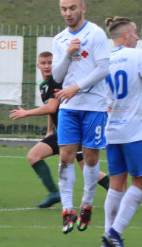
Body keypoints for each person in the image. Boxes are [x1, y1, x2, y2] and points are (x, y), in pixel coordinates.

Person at [98, 17, 142, 247]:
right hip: (135, 131)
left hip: (112, 131)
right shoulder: (136, 56)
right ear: (125, 35)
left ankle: (107, 240)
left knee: (117, 185)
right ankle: (114, 233)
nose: (138, 37)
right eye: (135, 32)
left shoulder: (105, 60)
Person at [9, 51, 110, 208]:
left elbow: (52, 106)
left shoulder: (57, 82)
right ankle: (55, 193)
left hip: (73, 130)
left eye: (50, 62)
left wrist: (26, 113)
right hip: (63, 131)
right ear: (38, 65)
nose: (47, 66)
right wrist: (50, 130)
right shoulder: (44, 85)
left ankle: (115, 192)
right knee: (35, 156)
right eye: (43, 63)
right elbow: (53, 111)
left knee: (86, 166)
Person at [51, 0, 111, 234]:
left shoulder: (95, 33)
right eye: (64, 9)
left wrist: (76, 87)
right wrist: (67, 55)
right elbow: (56, 76)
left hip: (94, 106)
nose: (68, 13)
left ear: (83, 8)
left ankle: (86, 205)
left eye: (73, 8)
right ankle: (67, 210)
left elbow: (103, 68)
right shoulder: (59, 40)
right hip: (69, 107)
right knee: (65, 158)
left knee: (91, 159)